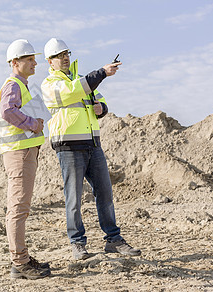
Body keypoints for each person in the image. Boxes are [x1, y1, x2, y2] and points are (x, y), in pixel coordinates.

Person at [40, 38, 141, 260]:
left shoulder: (81, 80)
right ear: (50, 61)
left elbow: (101, 101)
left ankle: (113, 240)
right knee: (74, 199)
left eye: (67, 53)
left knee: (105, 193)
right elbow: (72, 92)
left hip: (93, 144)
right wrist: (101, 73)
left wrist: (101, 108)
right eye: (60, 55)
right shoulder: (50, 84)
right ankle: (77, 244)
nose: (65, 57)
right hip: (68, 147)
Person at [0, 39, 51, 279]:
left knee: (20, 208)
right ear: (15, 62)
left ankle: (21, 259)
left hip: (24, 151)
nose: (35, 63)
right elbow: (8, 111)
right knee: (18, 208)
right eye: (30, 59)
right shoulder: (13, 85)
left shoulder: (20, 85)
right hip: (19, 153)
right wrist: (33, 123)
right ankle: (20, 262)